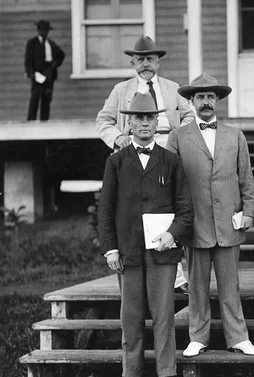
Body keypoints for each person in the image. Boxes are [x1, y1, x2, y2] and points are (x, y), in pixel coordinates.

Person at [97, 92, 194, 377]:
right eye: (138, 118)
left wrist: (172, 234)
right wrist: (111, 248)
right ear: (128, 123)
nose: (144, 123)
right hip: (128, 252)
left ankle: (168, 372)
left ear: (157, 122)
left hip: (162, 252)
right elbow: (106, 209)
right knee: (131, 314)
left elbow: (186, 208)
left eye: (149, 118)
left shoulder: (171, 161)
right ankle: (131, 371)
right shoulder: (116, 161)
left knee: (164, 313)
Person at [167, 74, 254, 357]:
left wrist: (249, 211)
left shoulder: (235, 135)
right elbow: (171, 184)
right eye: (200, 97)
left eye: (210, 97)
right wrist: (175, 225)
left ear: (218, 101)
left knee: (230, 285)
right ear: (191, 102)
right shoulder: (178, 137)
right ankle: (198, 337)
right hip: (194, 224)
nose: (206, 102)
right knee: (196, 285)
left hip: (228, 221)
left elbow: (246, 178)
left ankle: (238, 337)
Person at [96, 35, 195, 292]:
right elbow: (103, 120)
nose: (145, 64)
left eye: (150, 59)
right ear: (132, 62)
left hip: (166, 152)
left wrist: (175, 139)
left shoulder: (173, 89)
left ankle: (177, 278)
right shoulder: (121, 90)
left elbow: (189, 117)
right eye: (140, 59)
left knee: (169, 209)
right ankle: (140, 273)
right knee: (137, 210)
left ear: (158, 62)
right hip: (133, 152)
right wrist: (118, 139)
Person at [25, 20, 65, 121]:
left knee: (46, 98)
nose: (44, 32)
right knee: (35, 97)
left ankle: (44, 121)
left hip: (49, 73)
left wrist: (54, 65)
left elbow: (61, 55)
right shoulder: (32, 43)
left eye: (46, 30)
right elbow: (28, 59)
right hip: (37, 74)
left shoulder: (50, 43)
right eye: (42, 30)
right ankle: (31, 121)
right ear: (38, 30)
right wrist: (30, 73)